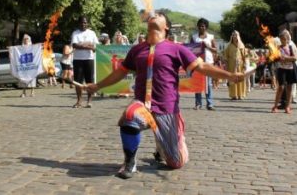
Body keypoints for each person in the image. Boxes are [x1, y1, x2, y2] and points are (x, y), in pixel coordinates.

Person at [86, 12, 245, 179]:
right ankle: (129, 162)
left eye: (159, 15)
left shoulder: (176, 49)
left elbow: (202, 66)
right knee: (130, 116)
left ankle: (163, 147)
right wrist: (97, 86)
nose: (154, 14)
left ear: (166, 27)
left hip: (167, 109)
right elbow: (120, 72)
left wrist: (230, 76)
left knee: (176, 162)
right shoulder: (136, 50)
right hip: (143, 105)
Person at [71, 16, 99, 108]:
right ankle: (79, 101)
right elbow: (75, 45)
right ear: (79, 23)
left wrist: (83, 44)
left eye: (85, 22)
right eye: (82, 22)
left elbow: (96, 47)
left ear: (87, 23)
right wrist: (88, 45)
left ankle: (89, 101)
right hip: (78, 60)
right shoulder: (75, 33)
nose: (83, 24)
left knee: (89, 81)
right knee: (78, 81)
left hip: (89, 59)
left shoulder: (92, 33)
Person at [190, 18, 217, 110]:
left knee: (208, 84)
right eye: (200, 26)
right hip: (197, 63)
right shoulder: (194, 37)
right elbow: (190, 49)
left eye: (203, 26)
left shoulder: (211, 37)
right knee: (197, 83)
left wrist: (207, 47)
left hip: (208, 62)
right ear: (198, 27)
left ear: (206, 27)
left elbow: (215, 50)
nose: (202, 27)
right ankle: (198, 103)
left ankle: (209, 104)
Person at [271, 30, 297, 114]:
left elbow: (295, 58)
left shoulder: (291, 47)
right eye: (281, 39)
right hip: (281, 69)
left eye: (284, 39)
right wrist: (278, 58)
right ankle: (275, 106)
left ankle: (288, 106)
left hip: (290, 69)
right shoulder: (278, 47)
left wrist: (286, 58)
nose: (283, 41)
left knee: (289, 88)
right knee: (281, 87)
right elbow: (274, 58)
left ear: (287, 39)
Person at [223, 31, 246, 100]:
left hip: (240, 65)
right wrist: (226, 66)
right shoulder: (229, 46)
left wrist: (245, 64)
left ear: (238, 36)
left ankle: (240, 94)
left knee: (240, 79)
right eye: (233, 35)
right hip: (231, 65)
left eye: (236, 35)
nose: (234, 36)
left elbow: (245, 56)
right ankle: (233, 95)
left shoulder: (242, 45)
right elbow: (225, 57)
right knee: (232, 79)